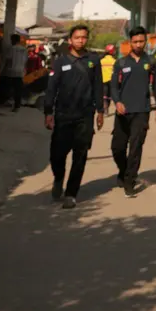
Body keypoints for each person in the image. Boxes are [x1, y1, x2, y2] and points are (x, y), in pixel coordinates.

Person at [43, 24, 104, 210]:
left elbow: (98, 87)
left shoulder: (93, 60)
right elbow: (52, 88)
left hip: (84, 116)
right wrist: (48, 112)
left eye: (84, 37)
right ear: (70, 40)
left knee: (80, 156)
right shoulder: (60, 61)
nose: (81, 40)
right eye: (77, 37)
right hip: (63, 115)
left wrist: (100, 111)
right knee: (57, 155)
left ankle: (71, 194)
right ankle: (58, 178)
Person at [109, 27, 156, 197]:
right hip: (123, 112)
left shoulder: (151, 62)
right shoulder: (121, 63)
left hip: (142, 111)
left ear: (146, 41)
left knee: (135, 148)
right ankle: (124, 172)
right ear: (130, 42)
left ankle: (130, 182)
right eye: (135, 42)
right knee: (117, 148)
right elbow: (114, 87)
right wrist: (117, 102)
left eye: (141, 41)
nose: (139, 45)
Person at [0, 33, 28, 111]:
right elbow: (25, 61)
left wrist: (1, 71)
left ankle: (3, 101)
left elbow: (6, 60)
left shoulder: (11, 49)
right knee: (18, 90)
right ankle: (17, 105)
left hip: (10, 72)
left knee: (6, 88)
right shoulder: (24, 49)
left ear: (13, 40)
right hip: (20, 72)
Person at [100, 44, 117, 113]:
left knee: (104, 96)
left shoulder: (101, 61)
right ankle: (109, 109)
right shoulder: (114, 61)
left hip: (103, 81)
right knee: (110, 96)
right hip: (111, 81)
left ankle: (105, 109)